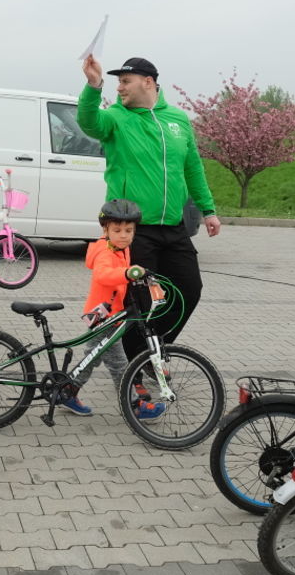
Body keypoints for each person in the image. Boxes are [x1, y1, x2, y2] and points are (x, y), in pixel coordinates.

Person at [78, 56, 220, 364]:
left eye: (125, 81)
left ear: (148, 82)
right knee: (137, 300)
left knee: (188, 290)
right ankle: (139, 363)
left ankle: (152, 351)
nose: (120, 88)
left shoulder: (179, 120)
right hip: (132, 229)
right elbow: (88, 122)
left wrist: (208, 209)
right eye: (117, 82)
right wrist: (93, 85)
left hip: (173, 225)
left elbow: (192, 167)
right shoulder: (115, 117)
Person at [61, 199, 166, 420]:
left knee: (93, 357)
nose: (124, 235)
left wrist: (143, 277)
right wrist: (127, 274)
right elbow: (104, 275)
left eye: (129, 230)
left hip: (112, 314)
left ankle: (68, 391)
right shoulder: (104, 252)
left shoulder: (121, 249)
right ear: (105, 230)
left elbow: (126, 271)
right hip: (103, 316)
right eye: (117, 230)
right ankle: (135, 405)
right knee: (119, 365)